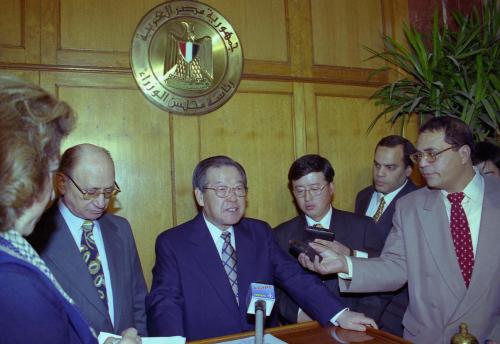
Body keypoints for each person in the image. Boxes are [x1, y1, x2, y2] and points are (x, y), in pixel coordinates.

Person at [299, 117, 500, 343]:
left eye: (432, 154)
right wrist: (345, 264)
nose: (423, 163)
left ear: (463, 154)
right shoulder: (410, 206)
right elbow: (395, 266)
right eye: (419, 155)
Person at [146, 155, 376, 340]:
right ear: (200, 196)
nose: (232, 198)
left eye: (238, 189)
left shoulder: (259, 233)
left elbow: (295, 277)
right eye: (221, 190)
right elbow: (165, 303)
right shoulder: (173, 242)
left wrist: (339, 314)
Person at [0, 75, 140, 343]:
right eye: (49, 170)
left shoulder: (13, 250)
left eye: (108, 192)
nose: (101, 201)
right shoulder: (12, 277)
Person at [29, 143, 148, 336]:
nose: (101, 202)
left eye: (108, 192)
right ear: (62, 183)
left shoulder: (121, 229)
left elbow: (138, 301)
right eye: (91, 192)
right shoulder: (36, 234)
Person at [274, 154, 381, 325]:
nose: (307, 198)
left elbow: (382, 278)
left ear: (331, 187)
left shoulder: (363, 227)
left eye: (315, 189)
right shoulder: (280, 235)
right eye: (300, 191)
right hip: (303, 328)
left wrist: (357, 318)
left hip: (355, 325)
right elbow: (274, 292)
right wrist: (301, 314)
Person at [354, 135, 418, 335]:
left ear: (408, 170)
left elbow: (400, 264)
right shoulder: (363, 196)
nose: (380, 173)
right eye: (376, 165)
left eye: (390, 168)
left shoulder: (418, 203)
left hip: (397, 310)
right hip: (359, 299)